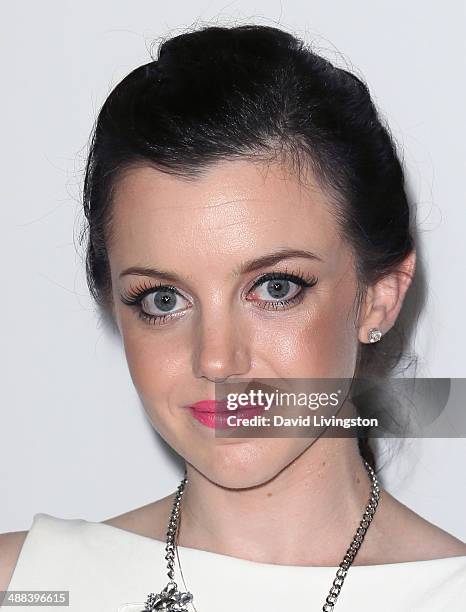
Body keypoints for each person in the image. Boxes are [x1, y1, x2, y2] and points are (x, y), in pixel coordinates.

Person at [1, 24, 465, 612]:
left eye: (274, 288)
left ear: (378, 297)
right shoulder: (26, 586)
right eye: (163, 299)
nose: (216, 359)